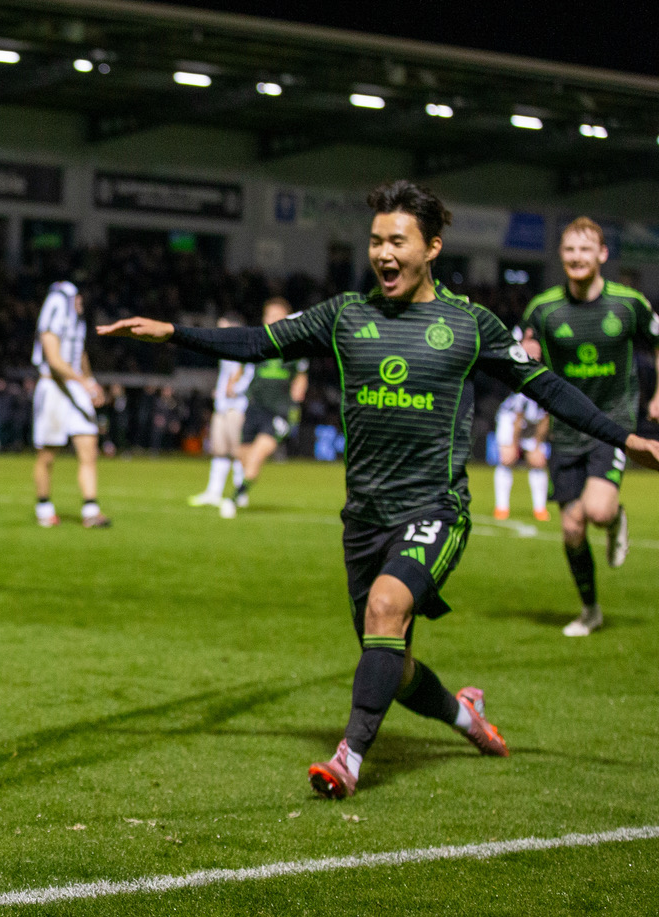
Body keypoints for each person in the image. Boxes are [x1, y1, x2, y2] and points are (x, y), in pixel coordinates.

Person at [100, 180, 659, 800]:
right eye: (375, 242)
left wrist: (627, 438)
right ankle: (465, 715)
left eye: (398, 241)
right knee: (393, 662)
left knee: (387, 608)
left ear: (432, 248)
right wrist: (173, 333)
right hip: (364, 518)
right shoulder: (344, 315)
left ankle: (349, 759)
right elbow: (260, 343)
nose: (383, 254)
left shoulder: (470, 324)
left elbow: (546, 386)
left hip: (435, 509)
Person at [522, 217, 659, 636]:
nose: (577, 257)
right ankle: (590, 610)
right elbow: (527, 345)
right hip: (565, 430)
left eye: (585, 249)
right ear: (560, 255)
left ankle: (614, 519)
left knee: (596, 511)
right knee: (571, 528)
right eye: (569, 249)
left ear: (602, 254)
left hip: (613, 423)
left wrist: (658, 395)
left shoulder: (629, 303)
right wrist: (527, 349)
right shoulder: (543, 308)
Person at [31, 280, 110, 528]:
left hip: (74, 386)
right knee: (47, 455)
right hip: (53, 387)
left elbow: (80, 352)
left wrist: (90, 381)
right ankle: (44, 507)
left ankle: (91, 510)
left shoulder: (76, 320)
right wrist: (84, 383)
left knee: (89, 448)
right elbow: (54, 360)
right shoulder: (56, 307)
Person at [233, 298, 309, 511]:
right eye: (270, 315)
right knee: (243, 454)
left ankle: (235, 497)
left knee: (257, 454)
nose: (273, 319)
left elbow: (302, 375)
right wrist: (234, 381)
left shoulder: (296, 345)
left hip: (279, 409)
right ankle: (244, 486)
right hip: (255, 405)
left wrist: (298, 392)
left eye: (278, 315)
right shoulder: (257, 343)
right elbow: (242, 366)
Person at [189, 316, 252, 518]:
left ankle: (240, 493)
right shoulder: (225, 351)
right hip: (223, 407)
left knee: (238, 451)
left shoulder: (246, 349)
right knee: (219, 450)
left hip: (237, 408)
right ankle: (213, 492)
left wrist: (236, 389)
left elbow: (248, 375)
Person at [492, 390, 549, 521]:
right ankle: (501, 508)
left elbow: (545, 422)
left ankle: (540, 509)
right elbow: (517, 420)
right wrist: (514, 446)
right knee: (507, 459)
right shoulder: (523, 396)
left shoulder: (549, 396)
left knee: (538, 462)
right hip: (509, 420)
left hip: (531, 424)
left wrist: (537, 446)